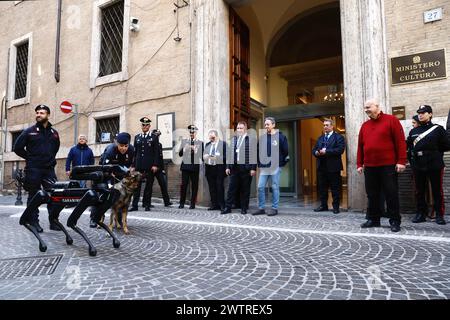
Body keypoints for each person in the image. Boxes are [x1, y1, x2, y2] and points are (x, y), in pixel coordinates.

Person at [357, 99, 406, 232]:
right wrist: (359, 163)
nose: (366, 109)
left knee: (391, 193)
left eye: (368, 107)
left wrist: (401, 161)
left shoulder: (391, 120)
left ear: (377, 106)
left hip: (388, 165)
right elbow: (360, 146)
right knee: (372, 194)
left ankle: (394, 220)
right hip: (370, 166)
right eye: (365, 107)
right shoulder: (365, 125)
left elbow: (400, 142)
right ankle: (374, 219)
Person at [13, 104, 61, 232]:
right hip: (34, 169)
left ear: (48, 115)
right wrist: (30, 157)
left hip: (48, 169)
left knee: (54, 194)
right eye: (37, 112)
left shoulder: (54, 133)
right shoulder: (29, 131)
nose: (39, 115)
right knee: (34, 195)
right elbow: (17, 148)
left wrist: (50, 159)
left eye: (42, 113)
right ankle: (33, 221)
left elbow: (55, 148)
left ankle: (54, 221)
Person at [407, 105, 450, 225]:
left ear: (430, 114)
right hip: (418, 163)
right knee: (419, 190)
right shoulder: (413, 131)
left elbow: (446, 145)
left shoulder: (438, 129)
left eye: (424, 112)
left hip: (434, 162)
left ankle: (439, 215)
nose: (420, 115)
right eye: (419, 113)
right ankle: (421, 213)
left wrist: (435, 154)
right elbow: (409, 147)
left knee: (437, 190)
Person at [90, 132, 135, 227]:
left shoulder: (131, 150)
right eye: (121, 146)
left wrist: (131, 170)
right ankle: (95, 218)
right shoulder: (110, 150)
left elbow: (132, 164)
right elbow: (104, 166)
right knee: (104, 195)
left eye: (126, 146)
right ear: (117, 144)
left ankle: (118, 220)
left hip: (120, 174)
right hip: (106, 173)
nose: (123, 148)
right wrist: (110, 174)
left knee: (120, 196)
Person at [252, 117, 289, 217]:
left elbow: (285, 151)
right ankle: (261, 208)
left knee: (275, 187)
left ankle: (274, 208)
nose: (266, 126)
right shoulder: (263, 138)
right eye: (265, 124)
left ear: (273, 125)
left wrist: (280, 164)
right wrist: (259, 164)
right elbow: (258, 151)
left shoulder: (281, 137)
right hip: (264, 167)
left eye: (268, 124)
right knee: (260, 187)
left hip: (275, 166)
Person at [222, 121, 257, 215]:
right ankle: (228, 207)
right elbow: (230, 154)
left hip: (245, 168)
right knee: (231, 188)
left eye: (241, 128)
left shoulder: (251, 139)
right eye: (238, 128)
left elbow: (254, 155)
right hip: (234, 168)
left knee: (245, 189)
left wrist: (253, 168)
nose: (239, 130)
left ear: (245, 129)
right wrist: (228, 166)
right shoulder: (234, 139)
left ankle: (244, 208)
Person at [312, 118, 346, 214]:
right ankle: (324, 205)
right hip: (321, 167)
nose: (325, 127)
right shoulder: (320, 138)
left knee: (335, 188)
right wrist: (316, 152)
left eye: (327, 125)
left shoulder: (338, 137)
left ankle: (336, 207)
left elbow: (340, 150)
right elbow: (314, 149)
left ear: (332, 126)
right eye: (324, 125)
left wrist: (326, 151)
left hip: (333, 167)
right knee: (322, 188)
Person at [129, 117, 159, 212]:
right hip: (138, 165)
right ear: (141, 126)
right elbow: (135, 152)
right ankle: (135, 205)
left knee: (148, 186)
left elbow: (156, 152)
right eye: (143, 125)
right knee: (136, 186)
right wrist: (133, 165)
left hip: (149, 166)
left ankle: (147, 204)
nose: (145, 126)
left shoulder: (154, 137)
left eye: (146, 125)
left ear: (149, 126)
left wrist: (155, 165)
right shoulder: (137, 137)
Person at [178, 125, 204, 209]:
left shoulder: (200, 143)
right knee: (184, 185)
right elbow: (180, 154)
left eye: (193, 132)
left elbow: (202, 157)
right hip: (185, 167)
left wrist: (196, 150)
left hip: (194, 167)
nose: (192, 134)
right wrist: (185, 149)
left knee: (194, 186)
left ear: (196, 133)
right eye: (190, 132)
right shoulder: (184, 141)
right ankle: (182, 203)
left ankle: (192, 204)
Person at [147, 128, 172, 207]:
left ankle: (166, 202)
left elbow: (160, 157)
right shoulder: (149, 143)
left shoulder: (159, 145)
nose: (158, 137)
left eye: (158, 136)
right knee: (149, 186)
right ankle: (146, 202)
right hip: (151, 168)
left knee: (163, 184)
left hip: (159, 168)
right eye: (156, 135)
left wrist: (163, 169)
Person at [203, 129, 227, 211]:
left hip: (219, 169)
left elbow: (226, 157)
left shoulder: (223, 144)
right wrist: (205, 157)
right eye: (210, 138)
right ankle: (214, 204)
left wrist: (216, 157)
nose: (211, 139)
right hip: (209, 169)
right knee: (212, 188)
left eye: (213, 137)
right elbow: (204, 156)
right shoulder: (207, 144)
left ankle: (222, 205)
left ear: (217, 136)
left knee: (220, 187)